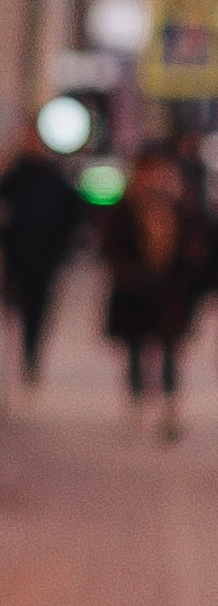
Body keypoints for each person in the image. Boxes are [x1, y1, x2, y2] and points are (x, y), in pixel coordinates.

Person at [100, 136, 205, 439]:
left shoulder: (182, 206)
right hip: (135, 292)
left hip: (170, 294)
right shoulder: (127, 205)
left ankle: (169, 411)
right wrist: (131, 275)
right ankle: (135, 408)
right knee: (135, 350)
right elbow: (112, 248)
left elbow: (195, 247)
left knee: (170, 352)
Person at [0, 120, 88, 383]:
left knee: (39, 308)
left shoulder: (53, 175)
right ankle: (26, 353)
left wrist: (62, 245)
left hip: (45, 256)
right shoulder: (14, 175)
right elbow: (0, 213)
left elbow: (72, 213)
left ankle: (31, 355)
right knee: (21, 306)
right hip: (19, 255)